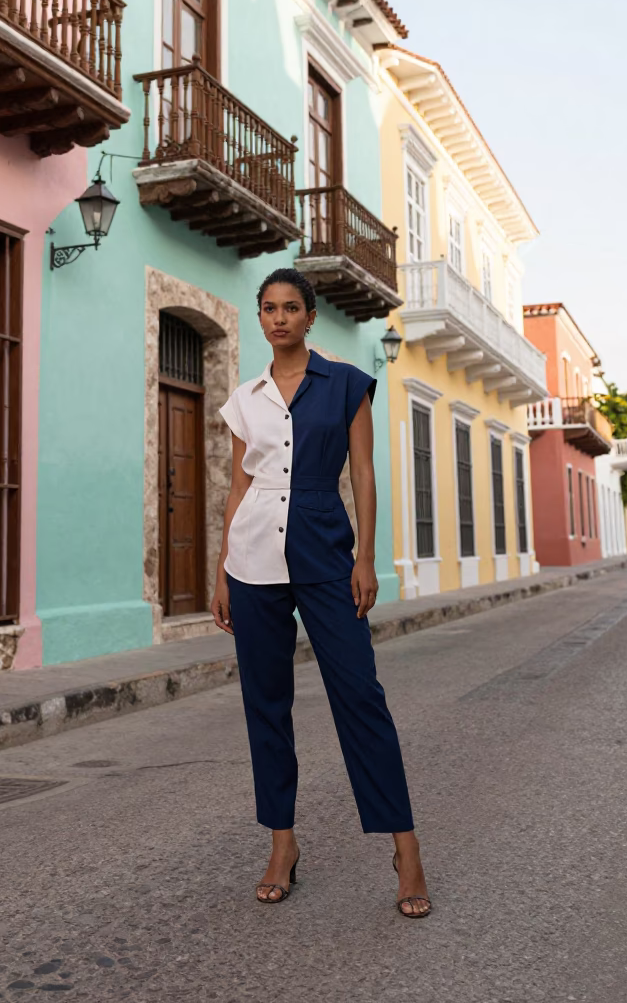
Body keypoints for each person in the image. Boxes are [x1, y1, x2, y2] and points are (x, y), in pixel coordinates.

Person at [211, 269, 431, 919]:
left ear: (310, 317)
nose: (278, 319)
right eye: (268, 309)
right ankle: (283, 844)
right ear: (262, 318)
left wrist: (366, 555)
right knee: (265, 703)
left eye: (290, 309)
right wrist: (224, 567)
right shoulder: (245, 398)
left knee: (360, 695)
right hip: (253, 557)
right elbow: (237, 486)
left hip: (326, 550)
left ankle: (406, 847)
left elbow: (361, 470)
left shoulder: (343, 384)